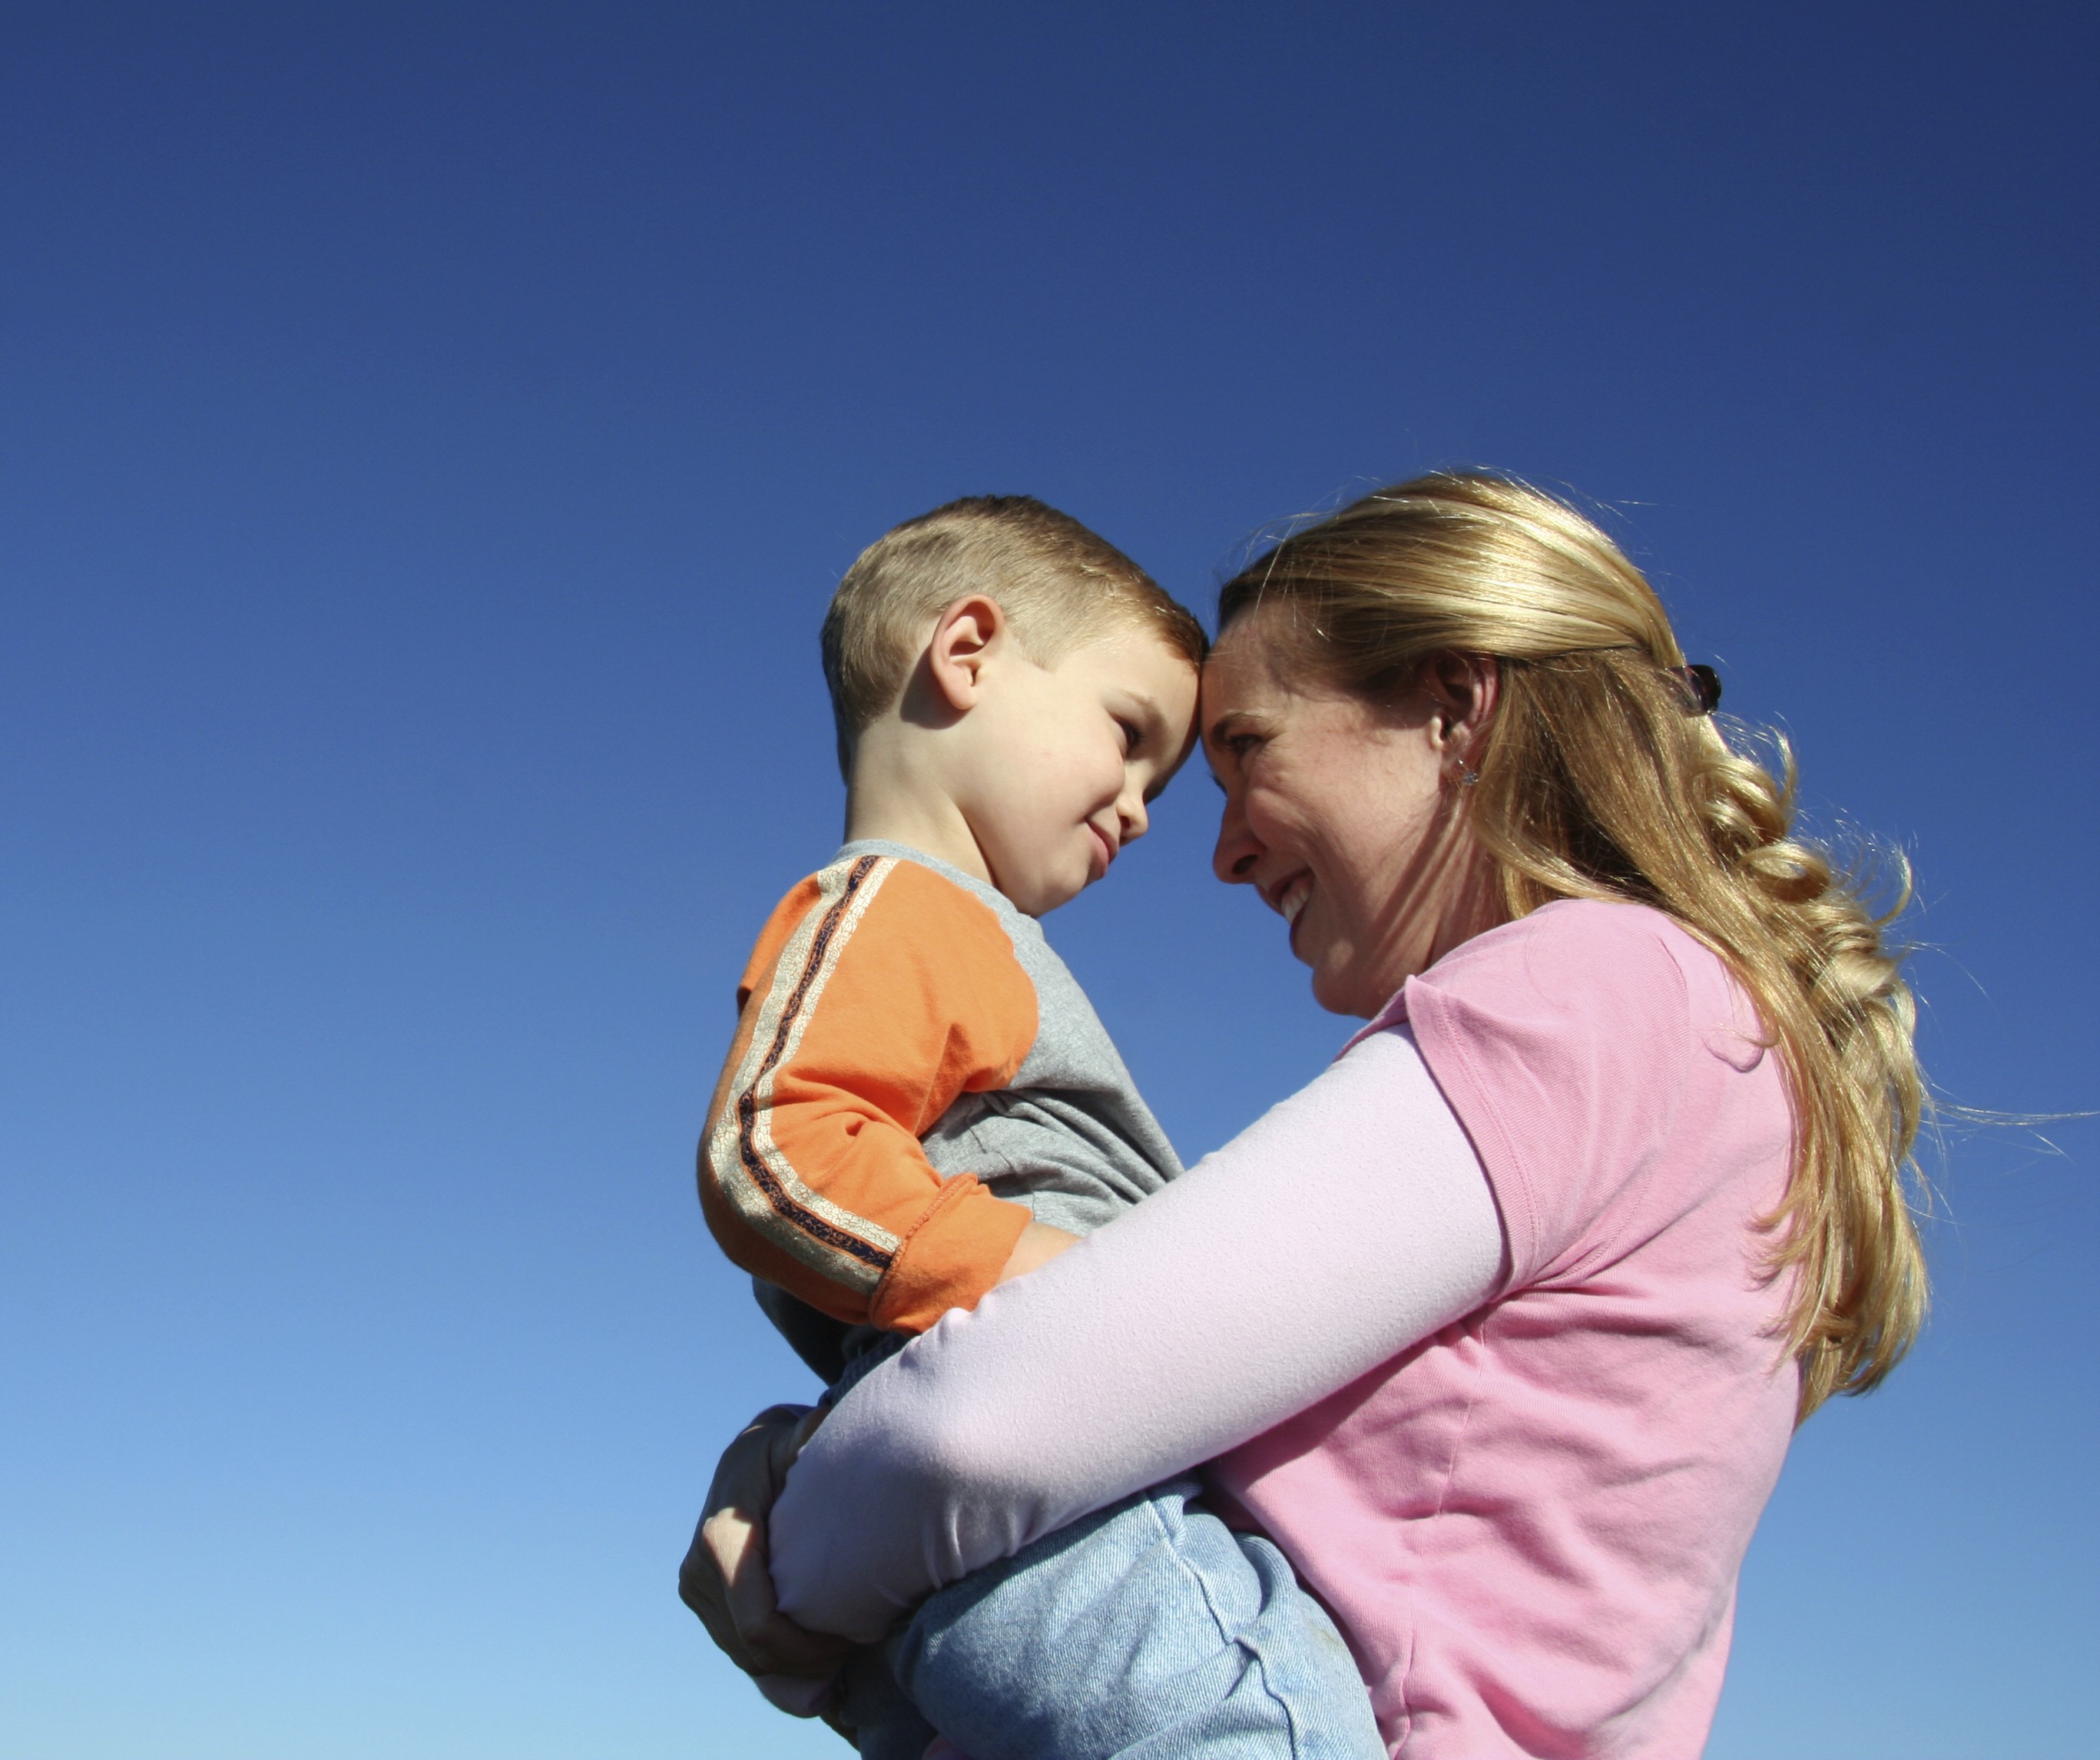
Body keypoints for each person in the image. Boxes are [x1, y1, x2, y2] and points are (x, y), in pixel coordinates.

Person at [682, 472, 1929, 1760]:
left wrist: (784, 1561)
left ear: (1455, 707)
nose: (1213, 851)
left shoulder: (1592, 989)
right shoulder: (1697, 1046)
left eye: (1249, 750)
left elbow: (980, 1426)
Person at [691, 496, 1383, 1758]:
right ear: (966, 653)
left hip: (1006, 1506)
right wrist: (1067, 1290)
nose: (1142, 807)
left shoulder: (962, 929)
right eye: (1129, 737)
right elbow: (775, 1151)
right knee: (1255, 1727)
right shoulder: (902, 902)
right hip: (1046, 1504)